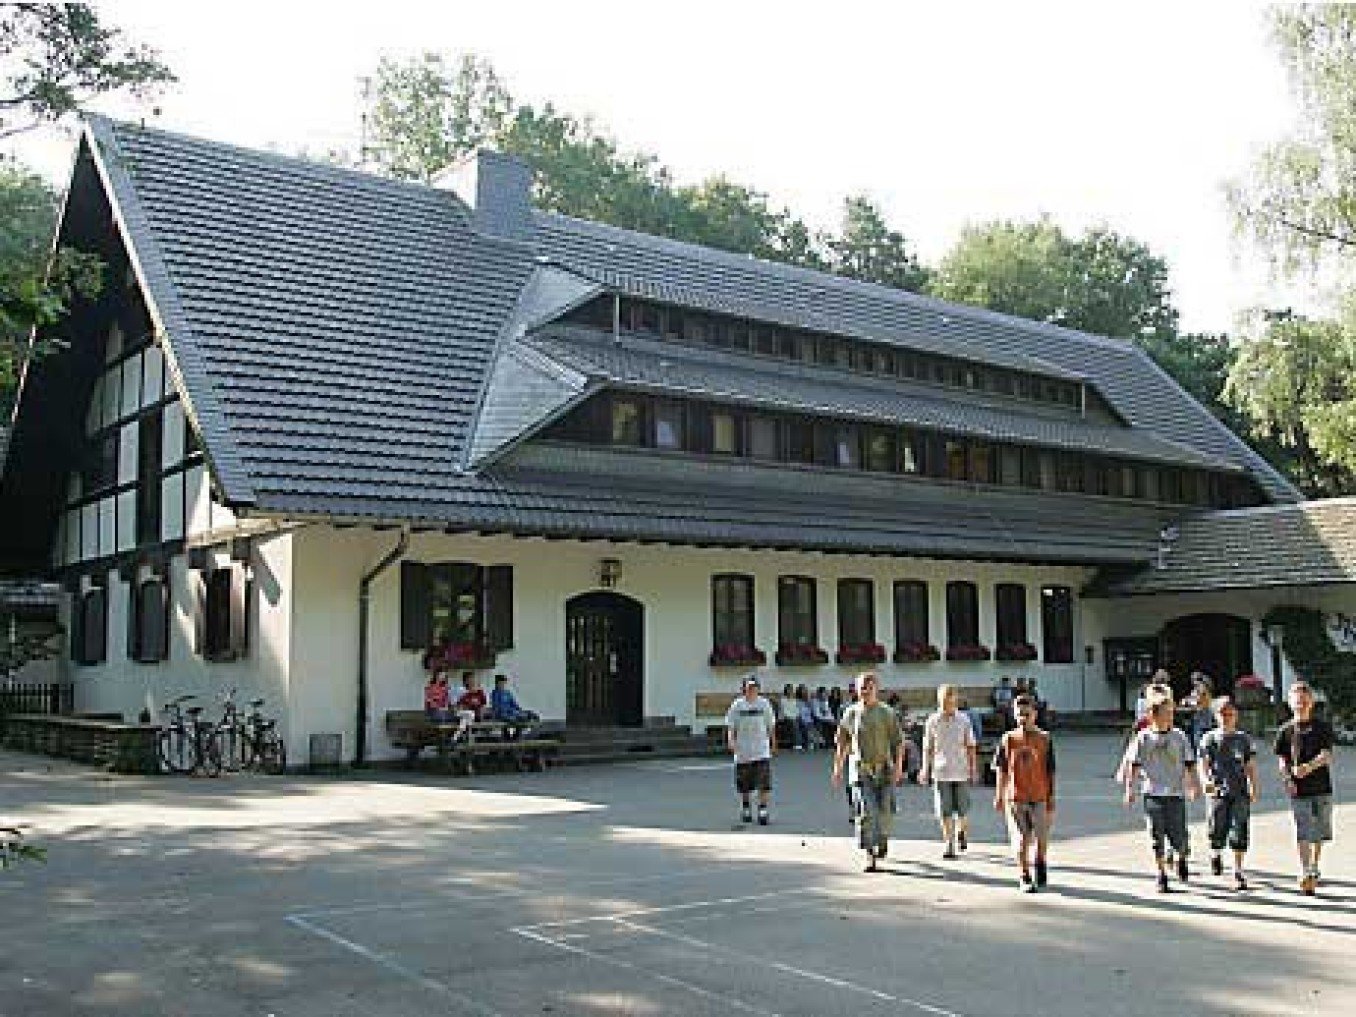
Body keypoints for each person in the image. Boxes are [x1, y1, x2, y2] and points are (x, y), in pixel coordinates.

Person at [1124, 692, 1200, 892]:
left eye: (1171, 713)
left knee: (1179, 837)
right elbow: (1134, 764)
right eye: (1165, 713)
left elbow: (1190, 763)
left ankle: (1181, 856)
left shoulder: (1179, 736)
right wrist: (1130, 789)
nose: (1170, 717)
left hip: (1175, 794)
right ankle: (1161, 875)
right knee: (1156, 836)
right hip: (1152, 793)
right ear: (1153, 715)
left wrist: (1194, 785)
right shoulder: (1143, 737)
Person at [833, 671, 905, 872]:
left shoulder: (887, 713)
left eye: (870, 687)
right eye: (862, 687)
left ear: (877, 689)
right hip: (861, 771)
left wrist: (899, 767)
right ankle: (869, 854)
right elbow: (843, 742)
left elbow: (898, 743)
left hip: (884, 770)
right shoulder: (851, 713)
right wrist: (838, 767)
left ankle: (882, 840)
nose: (866, 691)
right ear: (856, 690)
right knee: (866, 813)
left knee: (885, 812)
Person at [1274, 680, 1336, 895]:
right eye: (1297, 700)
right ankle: (1306, 869)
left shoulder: (1322, 728)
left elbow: (1327, 755)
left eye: (1304, 699)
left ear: (1311, 702)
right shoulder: (1285, 731)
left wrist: (1308, 768)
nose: (1301, 703)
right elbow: (1281, 759)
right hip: (1298, 790)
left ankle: (1315, 865)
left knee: (1319, 831)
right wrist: (1288, 779)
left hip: (1321, 787)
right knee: (1303, 829)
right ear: (1290, 703)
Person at [993, 694, 1056, 892]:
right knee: (1021, 839)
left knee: (1041, 838)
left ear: (1035, 715)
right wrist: (999, 795)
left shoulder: (1044, 739)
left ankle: (1040, 862)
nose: (1023, 719)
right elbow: (1002, 769)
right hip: (1016, 796)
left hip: (1039, 795)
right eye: (1019, 715)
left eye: (1027, 715)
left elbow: (1050, 770)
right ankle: (1024, 874)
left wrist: (1051, 796)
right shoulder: (1009, 739)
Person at [1198, 696, 1258, 891]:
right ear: (1216, 716)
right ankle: (1215, 853)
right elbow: (1204, 764)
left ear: (1236, 716)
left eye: (1230, 714)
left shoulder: (1243, 739)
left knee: (1240, 828)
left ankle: (1238, 870)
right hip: (1218, 791)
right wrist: (1206, 781)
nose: (1226, 717)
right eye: (1222, 714)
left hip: (1239, 790)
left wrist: (1253, 786)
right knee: (1217, 827)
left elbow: (1250, 765)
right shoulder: (1210, 738)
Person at [920, 684, 978, 859]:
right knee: (944, 811)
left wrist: (973, 768)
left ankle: (962, 832)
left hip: (961, 771)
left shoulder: (964, 720)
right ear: (939, 700)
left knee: (963, 810)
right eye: (944, 701)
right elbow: (927, 747)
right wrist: (925, 769)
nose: (947, 705)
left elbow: (971, 746)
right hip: (941, 771)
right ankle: (949, 844)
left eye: (950, 701)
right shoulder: (932, 721)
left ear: (955, 700)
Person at [725, 675, 777, 825]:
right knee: (744, 784)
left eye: (754, 687)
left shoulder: (764, 704)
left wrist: (773, 742)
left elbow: (770, 724)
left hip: (761, 750)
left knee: (764, 782)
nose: (752, 690)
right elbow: (731, 725)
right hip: (743, 751)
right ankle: (746, 808)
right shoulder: (737, 705)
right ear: (743, 689)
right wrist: (731, 741)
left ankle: (763, 809)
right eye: (749, 687)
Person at [777, 683, 800, 751]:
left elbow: (796, 710)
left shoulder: (794, 700)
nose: (790, 691)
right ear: (786, 691)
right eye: (789, 689)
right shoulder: (783, 700)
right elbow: (784, 712)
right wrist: (793, 717)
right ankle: (796, 744)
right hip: (784, 718)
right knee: (793, 723)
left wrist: (796, 716)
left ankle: (803, 743)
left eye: (791, 690)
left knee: (800, 721)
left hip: (793, 717)